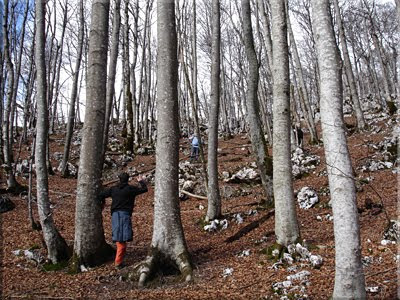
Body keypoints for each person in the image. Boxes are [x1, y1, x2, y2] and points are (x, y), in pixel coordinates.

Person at [98, 172, 148, 269]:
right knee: (121, 240)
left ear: (119, 179)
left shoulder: (113, 189)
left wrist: (103, 203)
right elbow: (144, 189)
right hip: (124, 215)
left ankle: (118, 260)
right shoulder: (130, 189)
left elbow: (101, 195)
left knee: (120, 239)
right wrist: (141, 181)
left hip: (115, 215)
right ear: (128, 179)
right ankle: (118, 262)